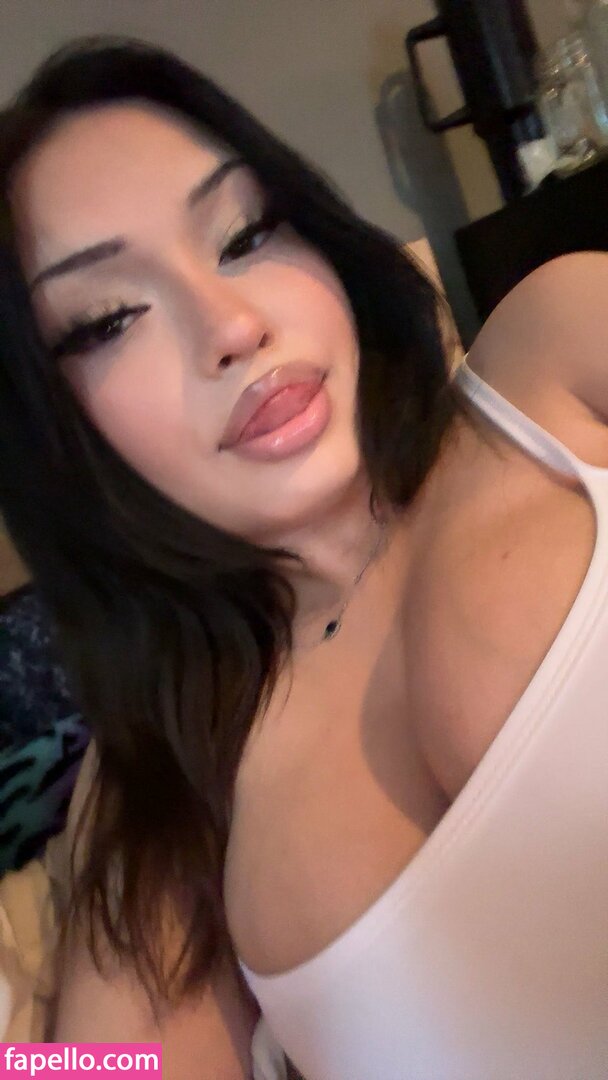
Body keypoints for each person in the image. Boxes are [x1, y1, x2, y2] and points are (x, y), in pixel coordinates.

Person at [0, 35, 606, 1080]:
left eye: (246, 233)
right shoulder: (167, 774)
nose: (232, 326)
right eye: (109, 319)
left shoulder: (556, 357)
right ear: (49, 429)